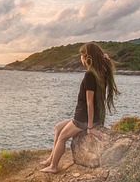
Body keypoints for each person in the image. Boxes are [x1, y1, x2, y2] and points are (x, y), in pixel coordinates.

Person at [40, 42, 120, 173]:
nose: (80, 58)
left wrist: (90, 127)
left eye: (82, 56)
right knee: (58, 127)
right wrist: (106, 59)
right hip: (89, 116)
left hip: (83, 118)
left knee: (62, 137)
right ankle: (51, 158)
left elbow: (89, 103)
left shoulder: (90, 75)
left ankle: (53, 166)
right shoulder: (102, 72)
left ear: (87, 58)